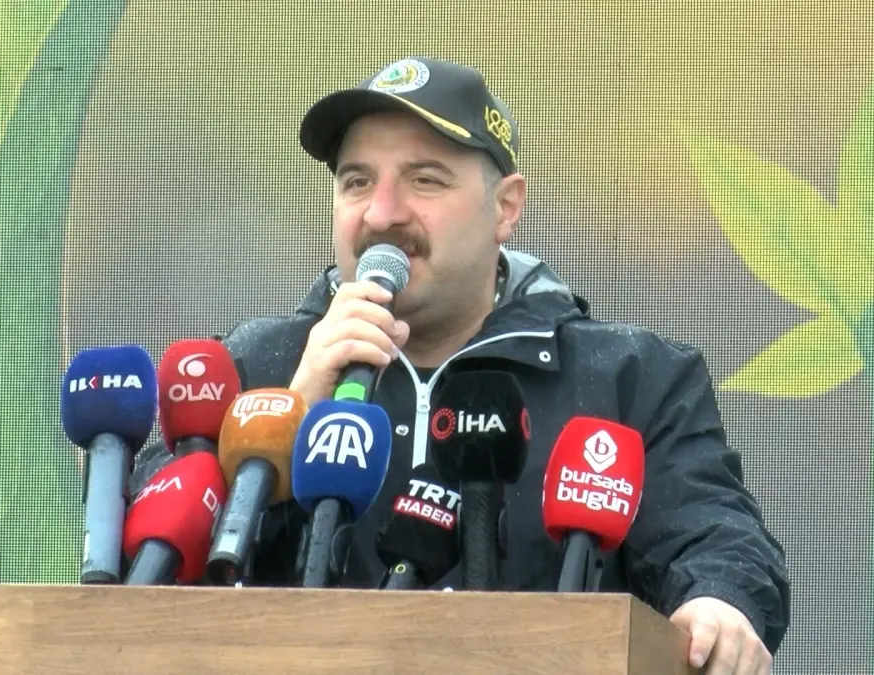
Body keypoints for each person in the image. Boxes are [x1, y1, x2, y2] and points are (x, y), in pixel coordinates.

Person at [214, 56, 790, 673]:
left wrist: (717, 602)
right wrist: (287, 424)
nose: (381, 214)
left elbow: (716, 536)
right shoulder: (254, 365)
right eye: (357, 182)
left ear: (506, 208)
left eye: (424, 180)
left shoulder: (630, 376)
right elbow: (162, 542)